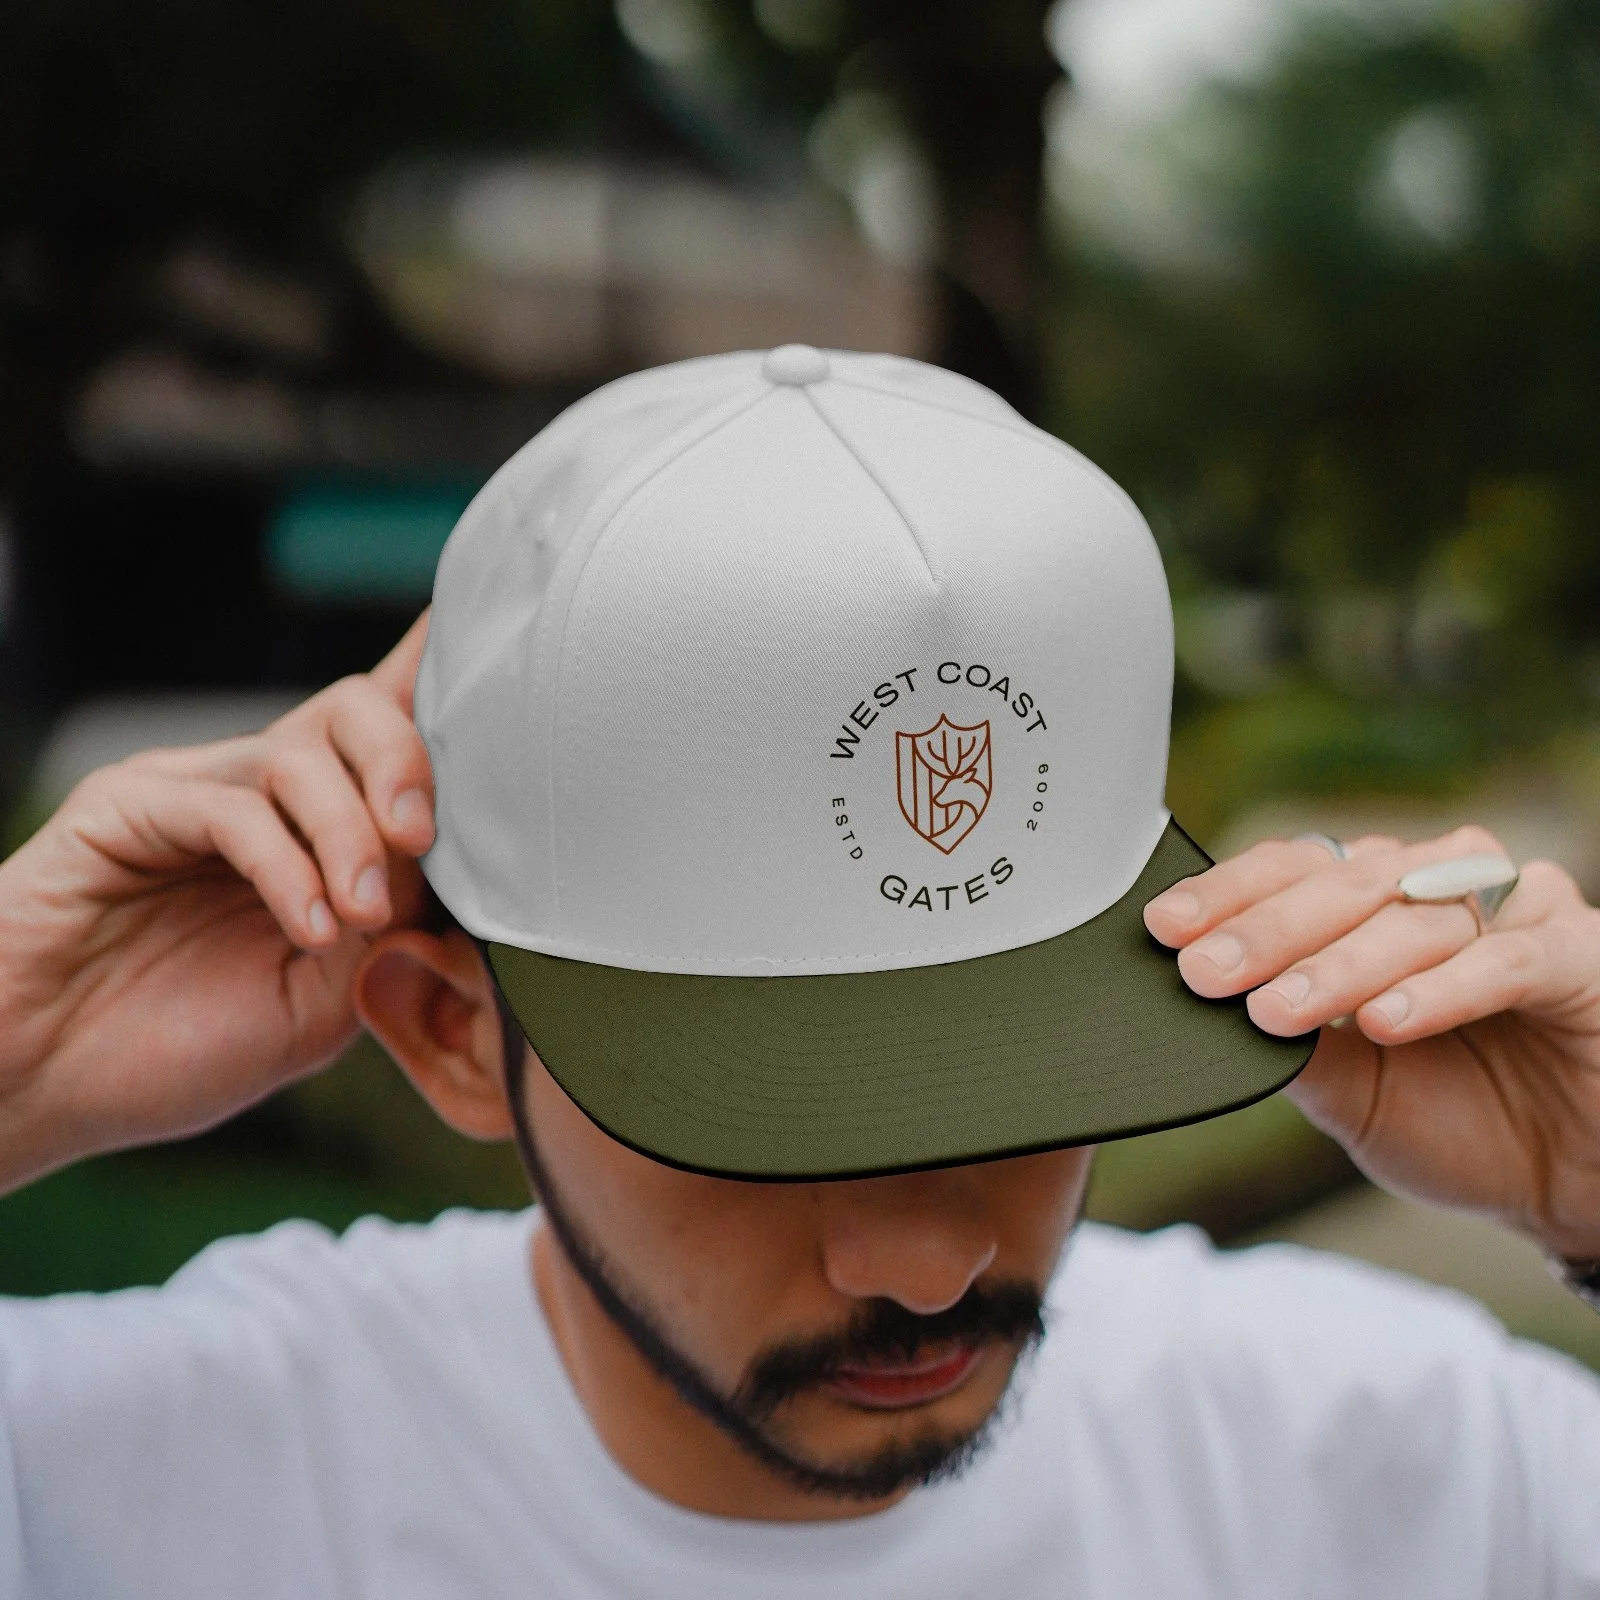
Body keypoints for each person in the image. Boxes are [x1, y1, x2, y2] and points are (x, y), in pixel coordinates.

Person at [3, 346, 1600, 1598]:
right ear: (446, 1030)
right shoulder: (141, 1477)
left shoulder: (1394, 1463)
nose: (919, 1262)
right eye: (769, 1119)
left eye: (1021, 1077)